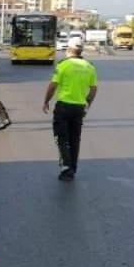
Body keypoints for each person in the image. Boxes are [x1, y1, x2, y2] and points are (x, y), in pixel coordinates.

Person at [43, 37, 98, 181]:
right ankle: (73, 167)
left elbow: (53, 86)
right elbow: (93, 89)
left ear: (68, 49)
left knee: (60, 137)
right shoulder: (89, 66)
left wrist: (46, 101)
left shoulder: (63, 65)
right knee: (75, 139)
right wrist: (87, 105)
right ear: (81, 50)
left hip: (64, 107)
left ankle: (66, 167)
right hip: (79, 108)